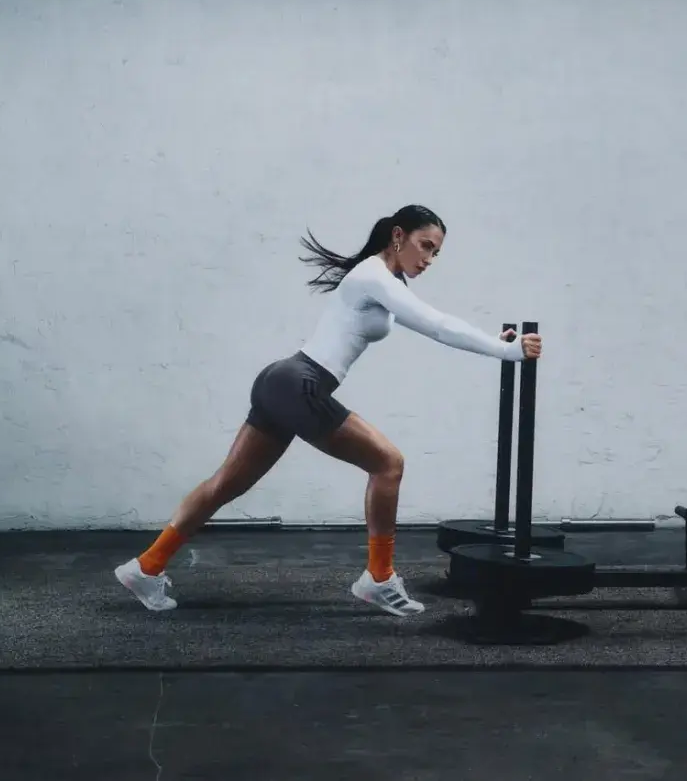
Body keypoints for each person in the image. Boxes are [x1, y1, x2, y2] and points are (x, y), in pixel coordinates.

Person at [114, 204, 543, 616]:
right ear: (399, 236)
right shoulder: (374, 275)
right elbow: (438, 325)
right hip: (300, 384)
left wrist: (496, 341)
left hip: (281, 382)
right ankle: (379, 577)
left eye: (437, 252)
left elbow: (438, 323)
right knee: (388, 464)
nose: (430, 258)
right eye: (426, 246)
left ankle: (146, 567)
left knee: (225, 484)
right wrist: (506, 351)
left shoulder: (383, 279)